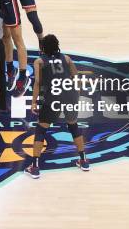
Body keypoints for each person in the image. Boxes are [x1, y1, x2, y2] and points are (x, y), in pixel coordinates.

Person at [24, 34, 89, 179]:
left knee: (41, 130)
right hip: (69, 95)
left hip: (52, 98)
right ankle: (84, 160)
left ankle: (35, 167)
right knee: (73, 126)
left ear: (43, 48)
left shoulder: (39, 61)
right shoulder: (66, 58)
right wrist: (77, 95)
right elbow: (76, 77)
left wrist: (34, 102)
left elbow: (37, 83)